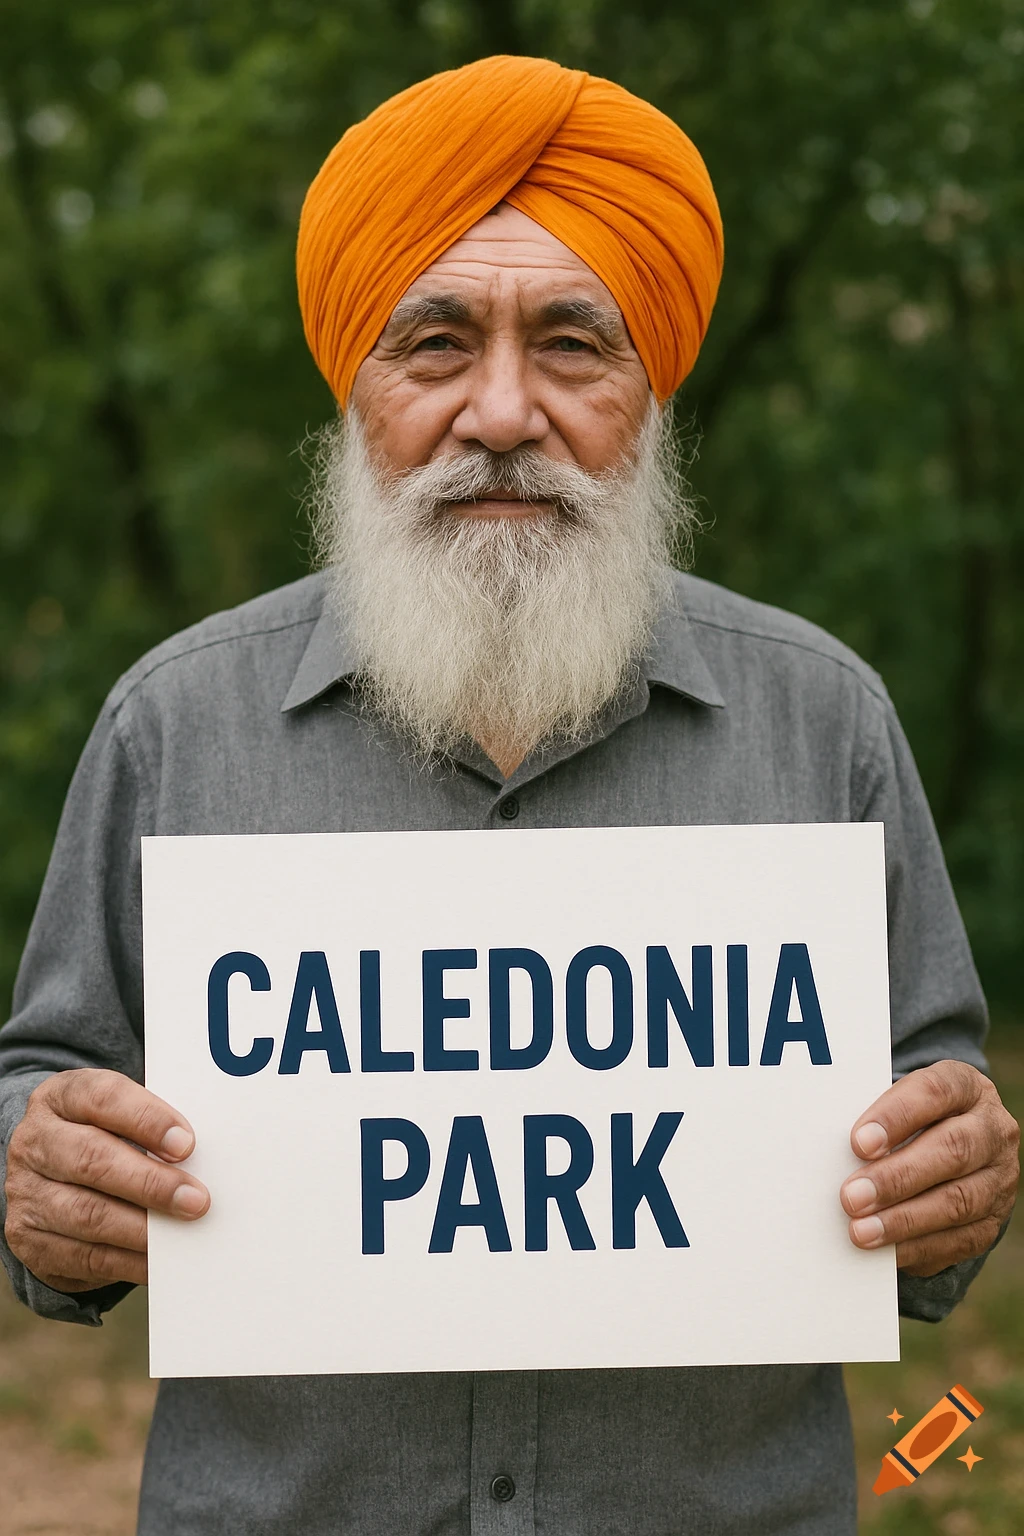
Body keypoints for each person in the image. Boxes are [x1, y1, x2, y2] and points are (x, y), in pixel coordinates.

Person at [0, 54, 1017, 1536]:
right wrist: (40, 1178)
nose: (499, 411)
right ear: (355, 387)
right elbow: (46, 1079)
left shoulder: (826, 718)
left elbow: (932, 1119)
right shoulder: (175, 722)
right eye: (433, 342)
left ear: (648, 386)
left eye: (569, 343)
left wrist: (960, 1178)